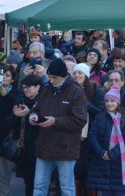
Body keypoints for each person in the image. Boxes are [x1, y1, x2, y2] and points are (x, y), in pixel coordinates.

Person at [30, 59, 88, 196]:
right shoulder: (46, 90)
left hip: (65, 149)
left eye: (54, 77)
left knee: (67, 188)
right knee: (39, 187)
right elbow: (36, 109)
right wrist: (33, 117)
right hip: (44, 147)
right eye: (49, 77)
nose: (51, 80)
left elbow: (80, 120)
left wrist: (55, 121)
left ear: (64, 76)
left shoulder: (76, 92)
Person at [87, 86, 125, 195]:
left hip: (118, 164)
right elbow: (92, 136)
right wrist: (102, 152)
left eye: (112, 101)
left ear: (118, 102)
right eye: (107, 101)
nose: (109, 103)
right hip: (101, 163)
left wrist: (112, 154)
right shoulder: (100, 116)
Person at [72, 63, 105, 195]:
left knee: (91, 173)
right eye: (75, 73)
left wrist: (87, 105)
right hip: (74, 135)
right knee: (77, 172)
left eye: (80, 73)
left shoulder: (96, 90)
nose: (77, 75)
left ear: (85, 74)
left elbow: (101, 113)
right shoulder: (70, 90)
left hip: (91, 136)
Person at [12, 74, 41, 196]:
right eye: (24, 87)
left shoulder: (43, 101)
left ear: (38, 87)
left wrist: (29, 113)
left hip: (40, 146)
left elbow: (44, 121)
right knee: (28, 182)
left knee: (39, 183)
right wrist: (15, 115)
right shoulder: (21, 100)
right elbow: (13, 125)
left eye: (29, 87)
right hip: (25, 146)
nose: (26, 90)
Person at [0, 65, 17, 196]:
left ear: (13, 80)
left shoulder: (16, 93)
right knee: (1, 179)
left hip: (9, 141)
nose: (3, 78)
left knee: (5, 179)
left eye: (7, 76)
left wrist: (2, 91)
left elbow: (13, 106)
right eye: (2, 75)